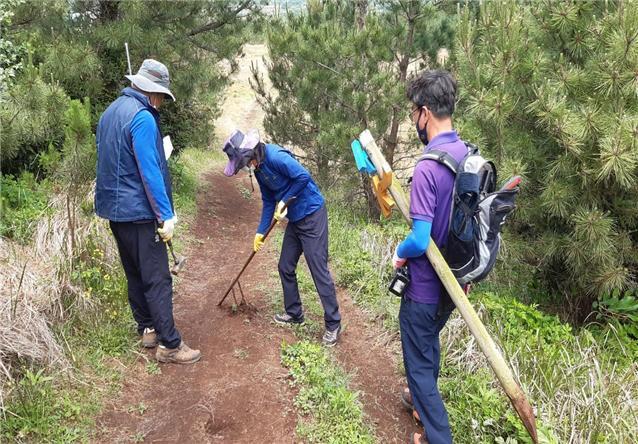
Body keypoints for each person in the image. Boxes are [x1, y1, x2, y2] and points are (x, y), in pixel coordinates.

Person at [95, 59, 201, 364]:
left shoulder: (110, 112)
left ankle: (148, 328)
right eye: (161, 97)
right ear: (152, 92)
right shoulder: (142, 118)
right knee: (157, 278)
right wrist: (166, 215)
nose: (161, 103)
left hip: (115, 212)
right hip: (141, 213)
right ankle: (170, 344)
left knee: (134, 272)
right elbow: (149, 170)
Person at [393, 70, 467, 444]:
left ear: (425, 113)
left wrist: (398, 253)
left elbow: (420, 239)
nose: (414, 120)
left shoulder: (428, 166)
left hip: (423, 288)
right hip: (454, 286)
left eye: (413, 113)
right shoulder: (465, 153)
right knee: (428, 344)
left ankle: (438, 437)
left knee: (418, 362)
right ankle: (418, 402)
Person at [222, 129, 342, 346]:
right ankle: (294, 313)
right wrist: (260, 231)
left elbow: (303, 177)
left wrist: (284, 200)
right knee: (285, 265)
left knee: (318, 269)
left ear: (252, 154)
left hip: (312, 214)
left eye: (245, 162)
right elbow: (268, 201)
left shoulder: (276, 157)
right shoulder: (259, 171)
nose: (247, 167)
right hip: (295, 219)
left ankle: (333, 324)